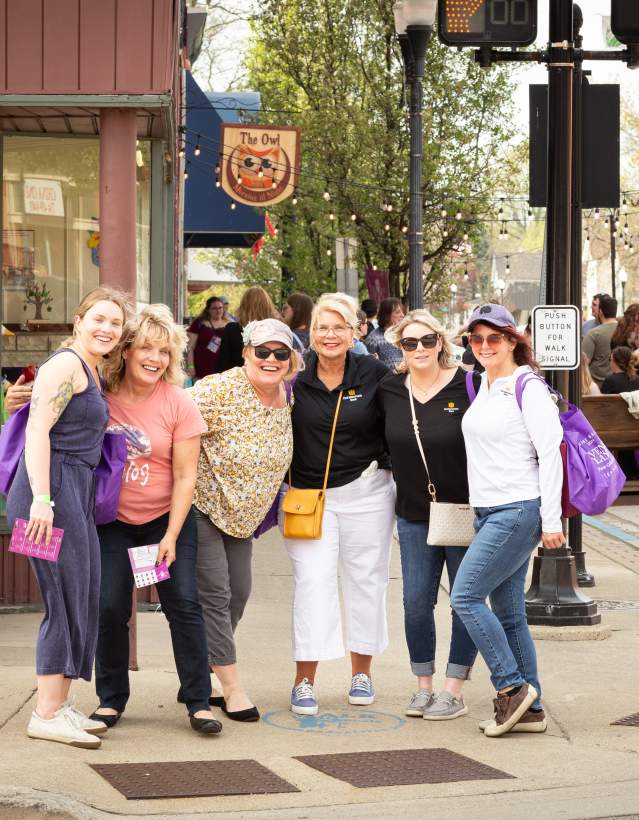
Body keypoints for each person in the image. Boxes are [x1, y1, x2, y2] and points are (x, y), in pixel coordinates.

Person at [90, 305, 222, 736]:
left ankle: (199, 702)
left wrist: (170, 534)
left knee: (182, 604)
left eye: (164, 351)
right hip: (113, 523)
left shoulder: (178, 402)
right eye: (147, 347)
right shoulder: (99, 396)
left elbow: (186, 475)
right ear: (126, 350)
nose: (155, 358)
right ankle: (111, 699)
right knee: (110, 607)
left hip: (164, 522)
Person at [6, 287, 129, 748]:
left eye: (115, 323)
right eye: (99, 318)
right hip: (48, 494)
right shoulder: (64, 365)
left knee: (80, 593)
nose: (107, 329)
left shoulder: (89, 369)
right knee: (62, 597)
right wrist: (41, 498)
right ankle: (46, 712)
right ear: (79, 320)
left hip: (70, 491)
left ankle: (60, 702)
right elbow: (38, 430)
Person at [450, 303, 564, 738]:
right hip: (488, 511)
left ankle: (511, 688)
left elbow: (551, 454)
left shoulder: (527, 386)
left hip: (518, 509)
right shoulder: (481, 383)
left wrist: (551, 521)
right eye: (475, 339)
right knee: (510, 612)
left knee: (465, 596)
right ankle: (530, 711)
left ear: (513, 340)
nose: (483, 346)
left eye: (492, 338)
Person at [284, 293, 395, 715]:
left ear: (355, 332)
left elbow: (399, 424)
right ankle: (304, 680)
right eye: (321, 328)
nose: (330, 335)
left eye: (339, 327)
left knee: (367, 581)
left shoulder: (375, 374)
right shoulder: (294, 375)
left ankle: (361, 672)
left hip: (368, 494)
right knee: (313, 582)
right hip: (309, 499)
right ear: (310, 334)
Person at [189, 318, 302, 722]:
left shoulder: (287, 395)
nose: (270, 360)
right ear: (245, 352)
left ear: (290, 359)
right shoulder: (220, 388)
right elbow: (172, 416)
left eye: (280, 353)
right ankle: (232, 688)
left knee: (240, 591)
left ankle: (201, 670)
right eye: (262, 351)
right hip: (201, 505)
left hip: (243, 518)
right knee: (216, 595)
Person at [379, 310, 478, 720]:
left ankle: (453, 689)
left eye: (426, 341)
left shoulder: (469, 383)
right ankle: (423, 685)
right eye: (409, 343)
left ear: (440, 342)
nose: (418, 349)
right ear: (400, 349)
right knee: (416, 602)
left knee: (464, 601)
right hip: (415, 514)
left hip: (464, 510)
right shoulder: (389, 389)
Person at [216, 286, 280, 372]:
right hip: (268, 377)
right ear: (268, 305)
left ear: (243, 305)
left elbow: (223, 362)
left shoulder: (232, 329)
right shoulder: (276, 329)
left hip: (237, 380)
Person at [186, 296, 230, 380]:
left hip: (223, 371)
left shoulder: (230, 324)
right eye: (214, 308)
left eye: (220, 308)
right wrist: (191, 366)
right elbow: (190, 347)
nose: (218, 311)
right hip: (202, 370)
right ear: (208, 310)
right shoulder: (199, 324)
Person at [583, 295, 618, 388]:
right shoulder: (623, 330)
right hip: (620, 385)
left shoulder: (593, 333)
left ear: (601, 311)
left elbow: (584, 362)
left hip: (597, 386)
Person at [363, 297, 405, 368]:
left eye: (402, 312)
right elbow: (369, 369)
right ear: (387, 315)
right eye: (397, 312)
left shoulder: (403, 335)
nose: (402, 315)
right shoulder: (373, 339)